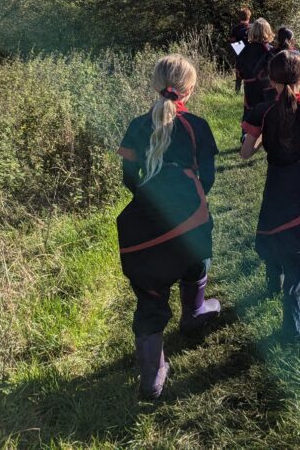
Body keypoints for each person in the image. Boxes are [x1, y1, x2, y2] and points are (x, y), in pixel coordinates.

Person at [116, 55, 221, 399]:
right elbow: (208, 178)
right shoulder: (199, 127)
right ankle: (194, 312)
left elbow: (128, 178)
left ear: (154, 84)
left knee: (150, 294)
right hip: (189, 218)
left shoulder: (136, 125)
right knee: (196, 258)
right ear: (189, 90)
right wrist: (189, 198)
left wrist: (151, 198)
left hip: (145, 218)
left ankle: (152, 377)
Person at [240, 51, 300, 341]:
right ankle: (293, 332)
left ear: (270, 79)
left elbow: (244, 153)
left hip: (275, 194)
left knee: (275, 241)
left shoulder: (262, 112)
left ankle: (271, 283)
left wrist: (263, 137)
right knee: (299, 267)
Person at [236, 18, 275, 119]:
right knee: (267, 120)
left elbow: (239, 72)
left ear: (252, 32)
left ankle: (246, 134)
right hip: (267, 91)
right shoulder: (271, 50)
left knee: (249, 120)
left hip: (250, 90)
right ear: (268, 32)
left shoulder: (243, 48)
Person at [230, 8, 251, 93]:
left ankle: (237, 92)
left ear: (239, 18)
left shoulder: (235, 29)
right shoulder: (252, 27)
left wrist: (240, 50)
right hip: (251, 55)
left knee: (238, 76)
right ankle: (249, 93)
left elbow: (232, 42)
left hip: (240, 55)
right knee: (250, 75)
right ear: (249, 17)